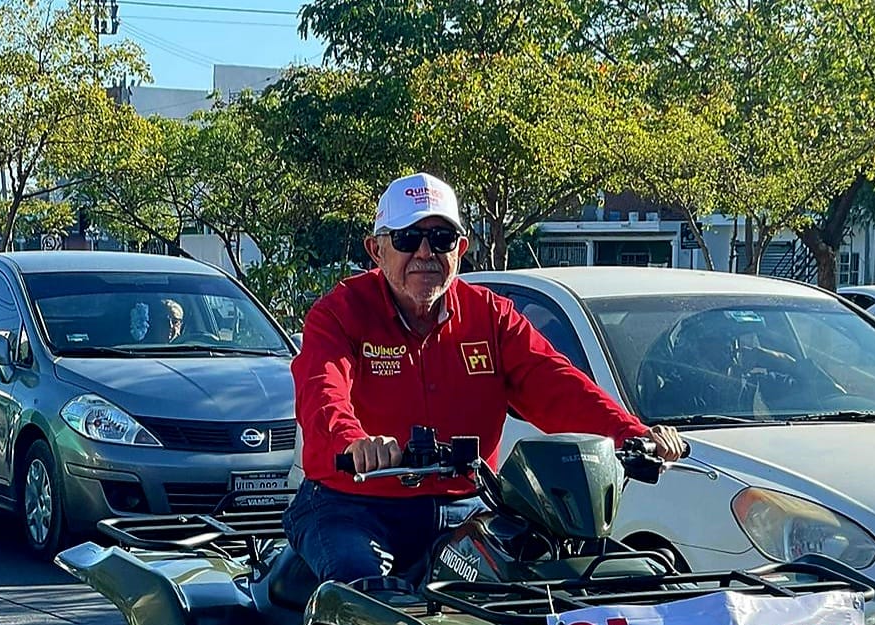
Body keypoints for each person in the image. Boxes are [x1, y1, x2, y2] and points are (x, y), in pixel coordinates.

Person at [284, 171, 685, 584]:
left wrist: (632, 434)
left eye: (440, 239)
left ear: (460, 247)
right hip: (352, 506)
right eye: (407, 239)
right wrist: (353, 441)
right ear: (377, 250)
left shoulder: (492, 316)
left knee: (539, 585)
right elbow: (322, 391)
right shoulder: (338, 313)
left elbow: (555, 384)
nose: (425, 253)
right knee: (365, 598)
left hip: (464, 507)